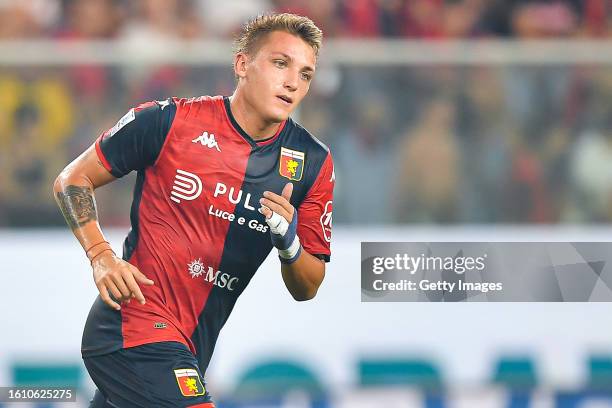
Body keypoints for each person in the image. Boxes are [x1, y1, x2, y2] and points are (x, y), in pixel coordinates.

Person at [53, 13, 334, 408]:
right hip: (128, 328)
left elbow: (308, 286)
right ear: (242, 64)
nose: (292, 82)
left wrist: (288, 242)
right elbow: (72, 179)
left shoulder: (313, 162)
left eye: (306, 74)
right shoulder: (168, 120)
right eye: (280, 63)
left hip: (189, 349)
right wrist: (100, 256)